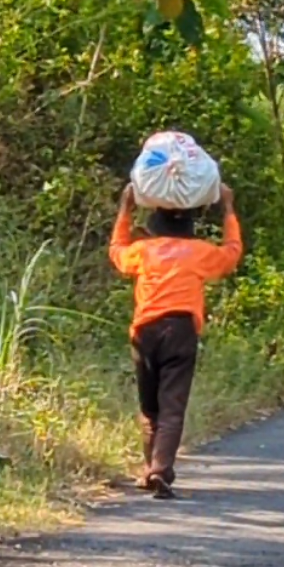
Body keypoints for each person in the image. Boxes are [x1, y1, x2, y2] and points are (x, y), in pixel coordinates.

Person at [109, 179, 243, 498]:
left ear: (154, 224)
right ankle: (158, 469)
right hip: (180, 330)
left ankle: (151, 469)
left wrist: (125, 209)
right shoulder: (198, 252)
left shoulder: (143, 251)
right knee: (172, 405)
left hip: (145, 331)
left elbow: (116, 252)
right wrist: (228, 209)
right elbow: (231, 253)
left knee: (149, 405)